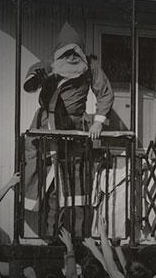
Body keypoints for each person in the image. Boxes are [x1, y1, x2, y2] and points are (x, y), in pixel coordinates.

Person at [22, 22, 114, 237]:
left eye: (75, 51)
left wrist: (98, 122)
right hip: (47, 128)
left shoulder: (90, 67)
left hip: (74, 130)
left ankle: (76, 234)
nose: (72, 56)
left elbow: (105, 93)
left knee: (76, 180)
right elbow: (29, 85)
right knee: (49, 181)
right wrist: (42, 76)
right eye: (67, 52)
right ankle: (51, 233)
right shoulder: (49, 65)